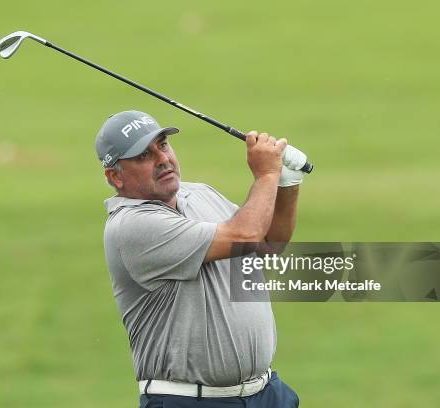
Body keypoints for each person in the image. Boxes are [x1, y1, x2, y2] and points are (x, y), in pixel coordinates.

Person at [96, 110, 303, 407]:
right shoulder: (131, 226)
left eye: (163, 145)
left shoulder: (200, 194)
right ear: (115, 176)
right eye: (143, 156)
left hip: (266, 394)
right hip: (190, 401)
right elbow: (244, 236)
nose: (162, 159)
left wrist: (287, 182)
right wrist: (267, 174)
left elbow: (269, 242)